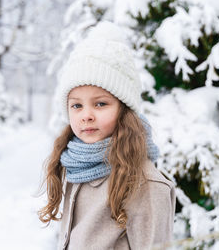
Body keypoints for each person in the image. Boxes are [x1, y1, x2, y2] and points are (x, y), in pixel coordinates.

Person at [38, 22, 175, 250]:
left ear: (124, 109)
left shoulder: (146, 184)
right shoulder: (78, 165)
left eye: (100, 104)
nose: (86, 116)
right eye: (77, 105)